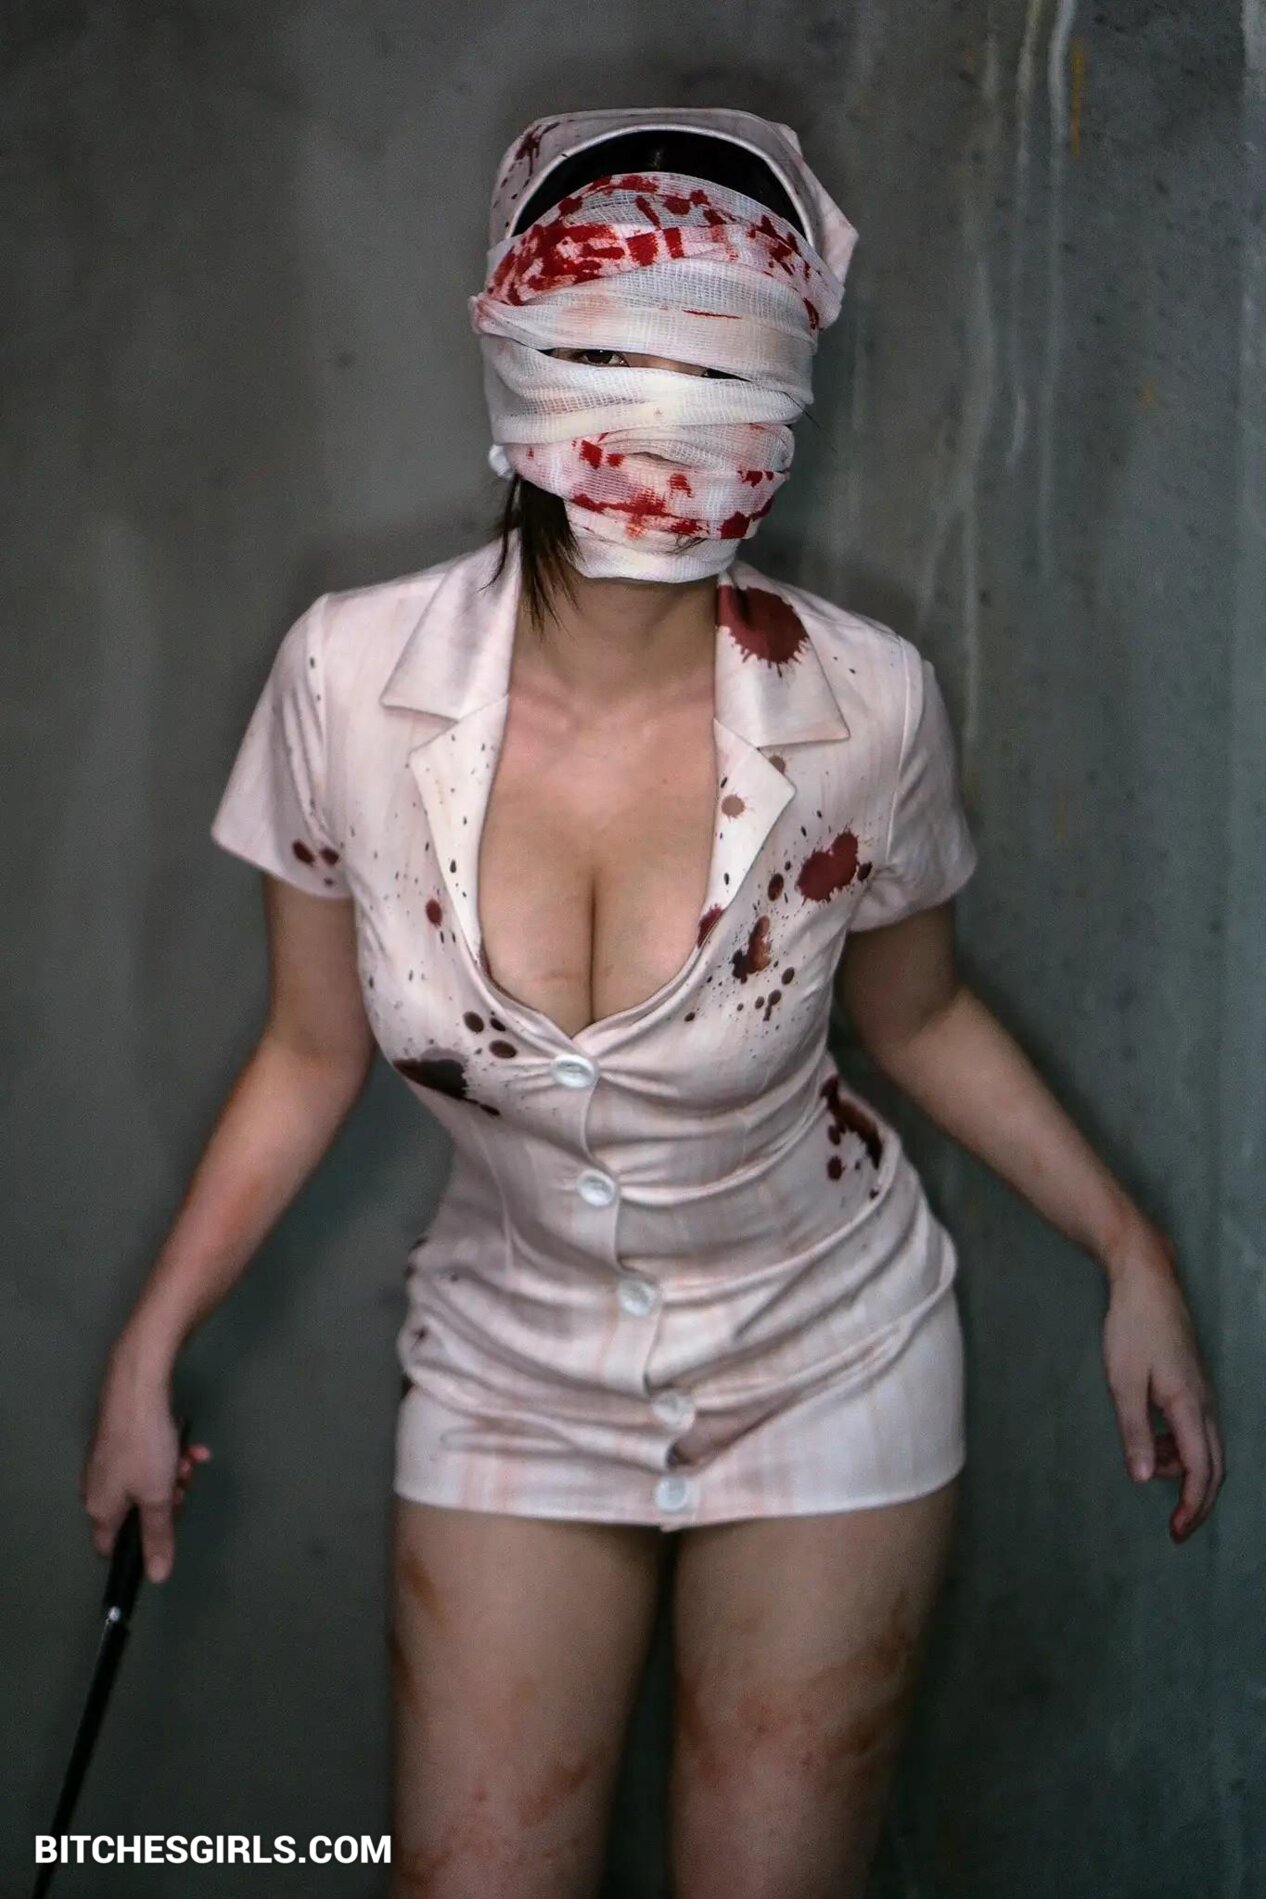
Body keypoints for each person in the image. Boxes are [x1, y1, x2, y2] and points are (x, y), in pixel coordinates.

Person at [80, 107, 1225, 1899]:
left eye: (724, 367)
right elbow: (308, 1052)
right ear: (519, 357)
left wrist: (1125, 1245)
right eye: (619, 355)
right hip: (509, 1369)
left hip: (828, 1355)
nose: (671, 414)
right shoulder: (347, 678)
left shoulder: (863, 705)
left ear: (790, 392)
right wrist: (150, 1347)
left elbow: (921, 1018)